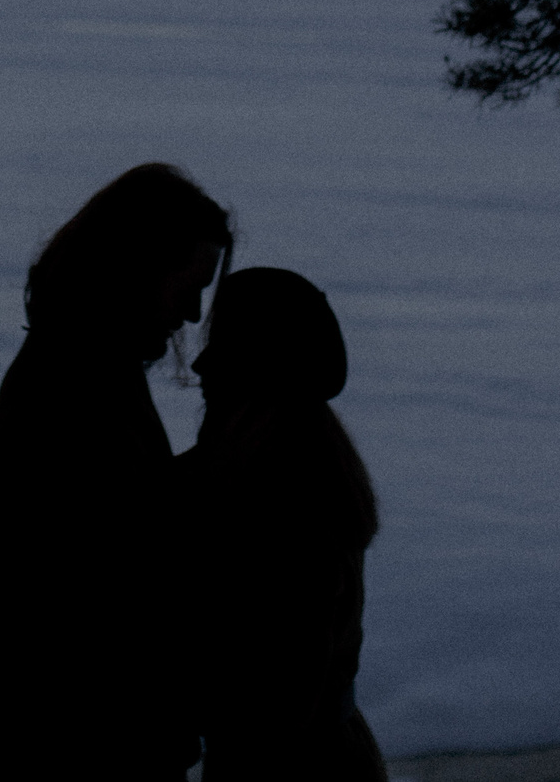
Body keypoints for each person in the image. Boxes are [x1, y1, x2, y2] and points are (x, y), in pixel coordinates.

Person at [0, 162, 232, 781]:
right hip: (82, 748)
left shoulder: (86, 368)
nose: (195, 314)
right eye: (189, 285)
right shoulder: (71, 385)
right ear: (137, 266)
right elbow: (110, 569)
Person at [182, 267, 387, 782]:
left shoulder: (284, 495)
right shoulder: (296, 465)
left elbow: (280, 700)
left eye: (224, 349)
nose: (201, 366)